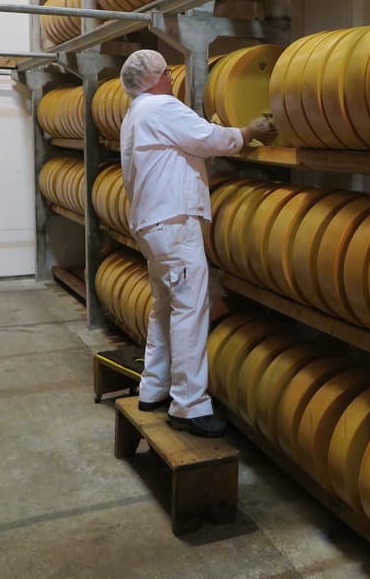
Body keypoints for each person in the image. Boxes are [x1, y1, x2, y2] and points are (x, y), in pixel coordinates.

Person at [118, 49, 277, 438]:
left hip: (151, 225)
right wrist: (250, 131)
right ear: (155, 78)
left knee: (165, 306)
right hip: (174, 223)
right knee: (190, 309)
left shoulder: (135, 114)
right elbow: (207, 138)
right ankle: (189, 406)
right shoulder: (162, 106)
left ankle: (153, 388)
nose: (173, 80)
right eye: (168, 75)